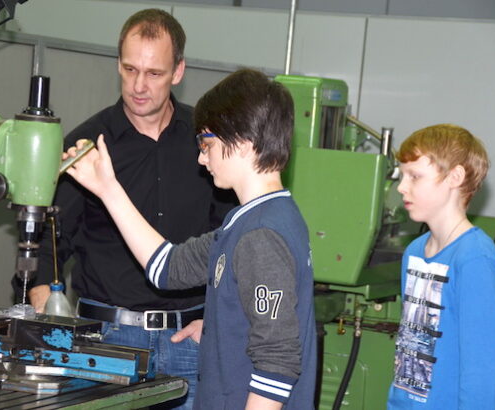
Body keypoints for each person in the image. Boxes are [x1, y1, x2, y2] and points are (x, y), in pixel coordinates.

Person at [15, 9, 234, 409]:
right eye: (130, 69)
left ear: (179, 71)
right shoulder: (85, 146)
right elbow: (48, 240)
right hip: (105, 344)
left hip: (190, 342)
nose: (138, 85)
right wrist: (47, 310)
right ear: (118, 63)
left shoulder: (208, 147)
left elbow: (231, 242)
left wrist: (216, 322)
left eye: (154, 73)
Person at [65, 69, 317, 409]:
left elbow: (277, 365)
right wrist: (107, 189)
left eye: (207, 143)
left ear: (242, 142)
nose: (201, 157)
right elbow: (167, 267)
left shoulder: (262, 235)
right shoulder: (248, 221)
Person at [387, 124, 495, 409]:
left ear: (455, 177)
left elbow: (483, 376)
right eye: (402, 175)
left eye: (414, 176)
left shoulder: (474, 261)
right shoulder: (414, 252)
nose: (401, 187)